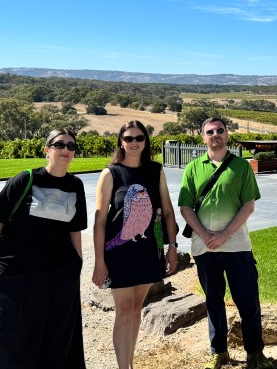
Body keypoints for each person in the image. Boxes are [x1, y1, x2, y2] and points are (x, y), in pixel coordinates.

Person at [0, 129, 87, 368]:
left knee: (55, 338)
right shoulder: (25, 180)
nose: (65, 150)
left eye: (71, 146)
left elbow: (74, 229)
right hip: (14, 274)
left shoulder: (75, 185)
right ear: (47, 149)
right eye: (59, 145)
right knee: (7, 339)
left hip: (57, 275)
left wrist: (77, 263)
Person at [179, 117, 274, 369]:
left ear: (227, 134)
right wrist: (205, 234)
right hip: (204, 247)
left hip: (237, 246)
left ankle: (255, 353)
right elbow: (186, 207)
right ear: (203, 137)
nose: (215, 135)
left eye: (220, 130)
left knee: (248, 301)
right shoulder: (193, 168)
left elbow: (248, 206)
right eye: (210, 132)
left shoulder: (241, 167)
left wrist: (223, 235)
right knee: (213, 301)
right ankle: (218, 352)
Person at [92, 120, 178, 369]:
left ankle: (129, 363)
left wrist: (172, 247)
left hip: (148, 249)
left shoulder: (155, 170)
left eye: (139, 138)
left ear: (145, 141)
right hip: (118, 253)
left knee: (137, 308)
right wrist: (99, 261)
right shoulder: (111, 173)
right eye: (128, 138)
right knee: (124, 311)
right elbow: (99, 220)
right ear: (121, 141)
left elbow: (169, 212)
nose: (134, 143)